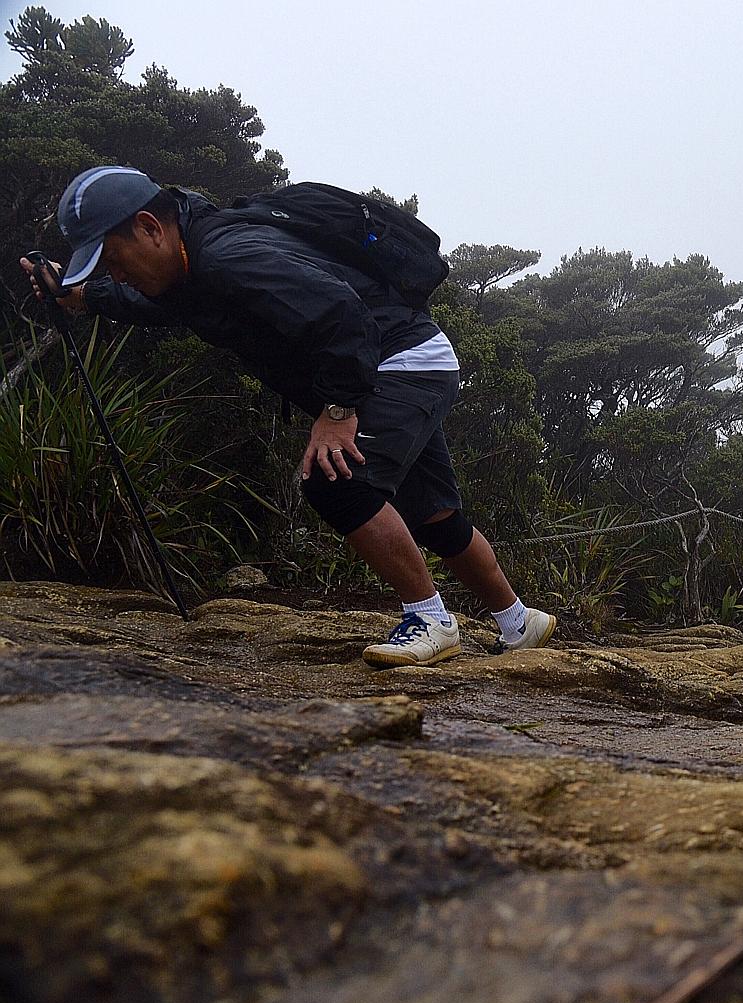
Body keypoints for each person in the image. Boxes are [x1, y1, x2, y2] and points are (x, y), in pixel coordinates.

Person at [20, 165, 556, 667]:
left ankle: (431, 620)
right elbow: (165, 305)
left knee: (336, 480)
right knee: (434, 513)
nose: (117, 272)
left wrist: (340, 408)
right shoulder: (192, 265)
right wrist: (87, 295)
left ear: (149, 227)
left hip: (398, 362)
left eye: (112, 258)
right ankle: (518, 624)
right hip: (409, 359)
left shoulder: (231, 255)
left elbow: (341, 312)